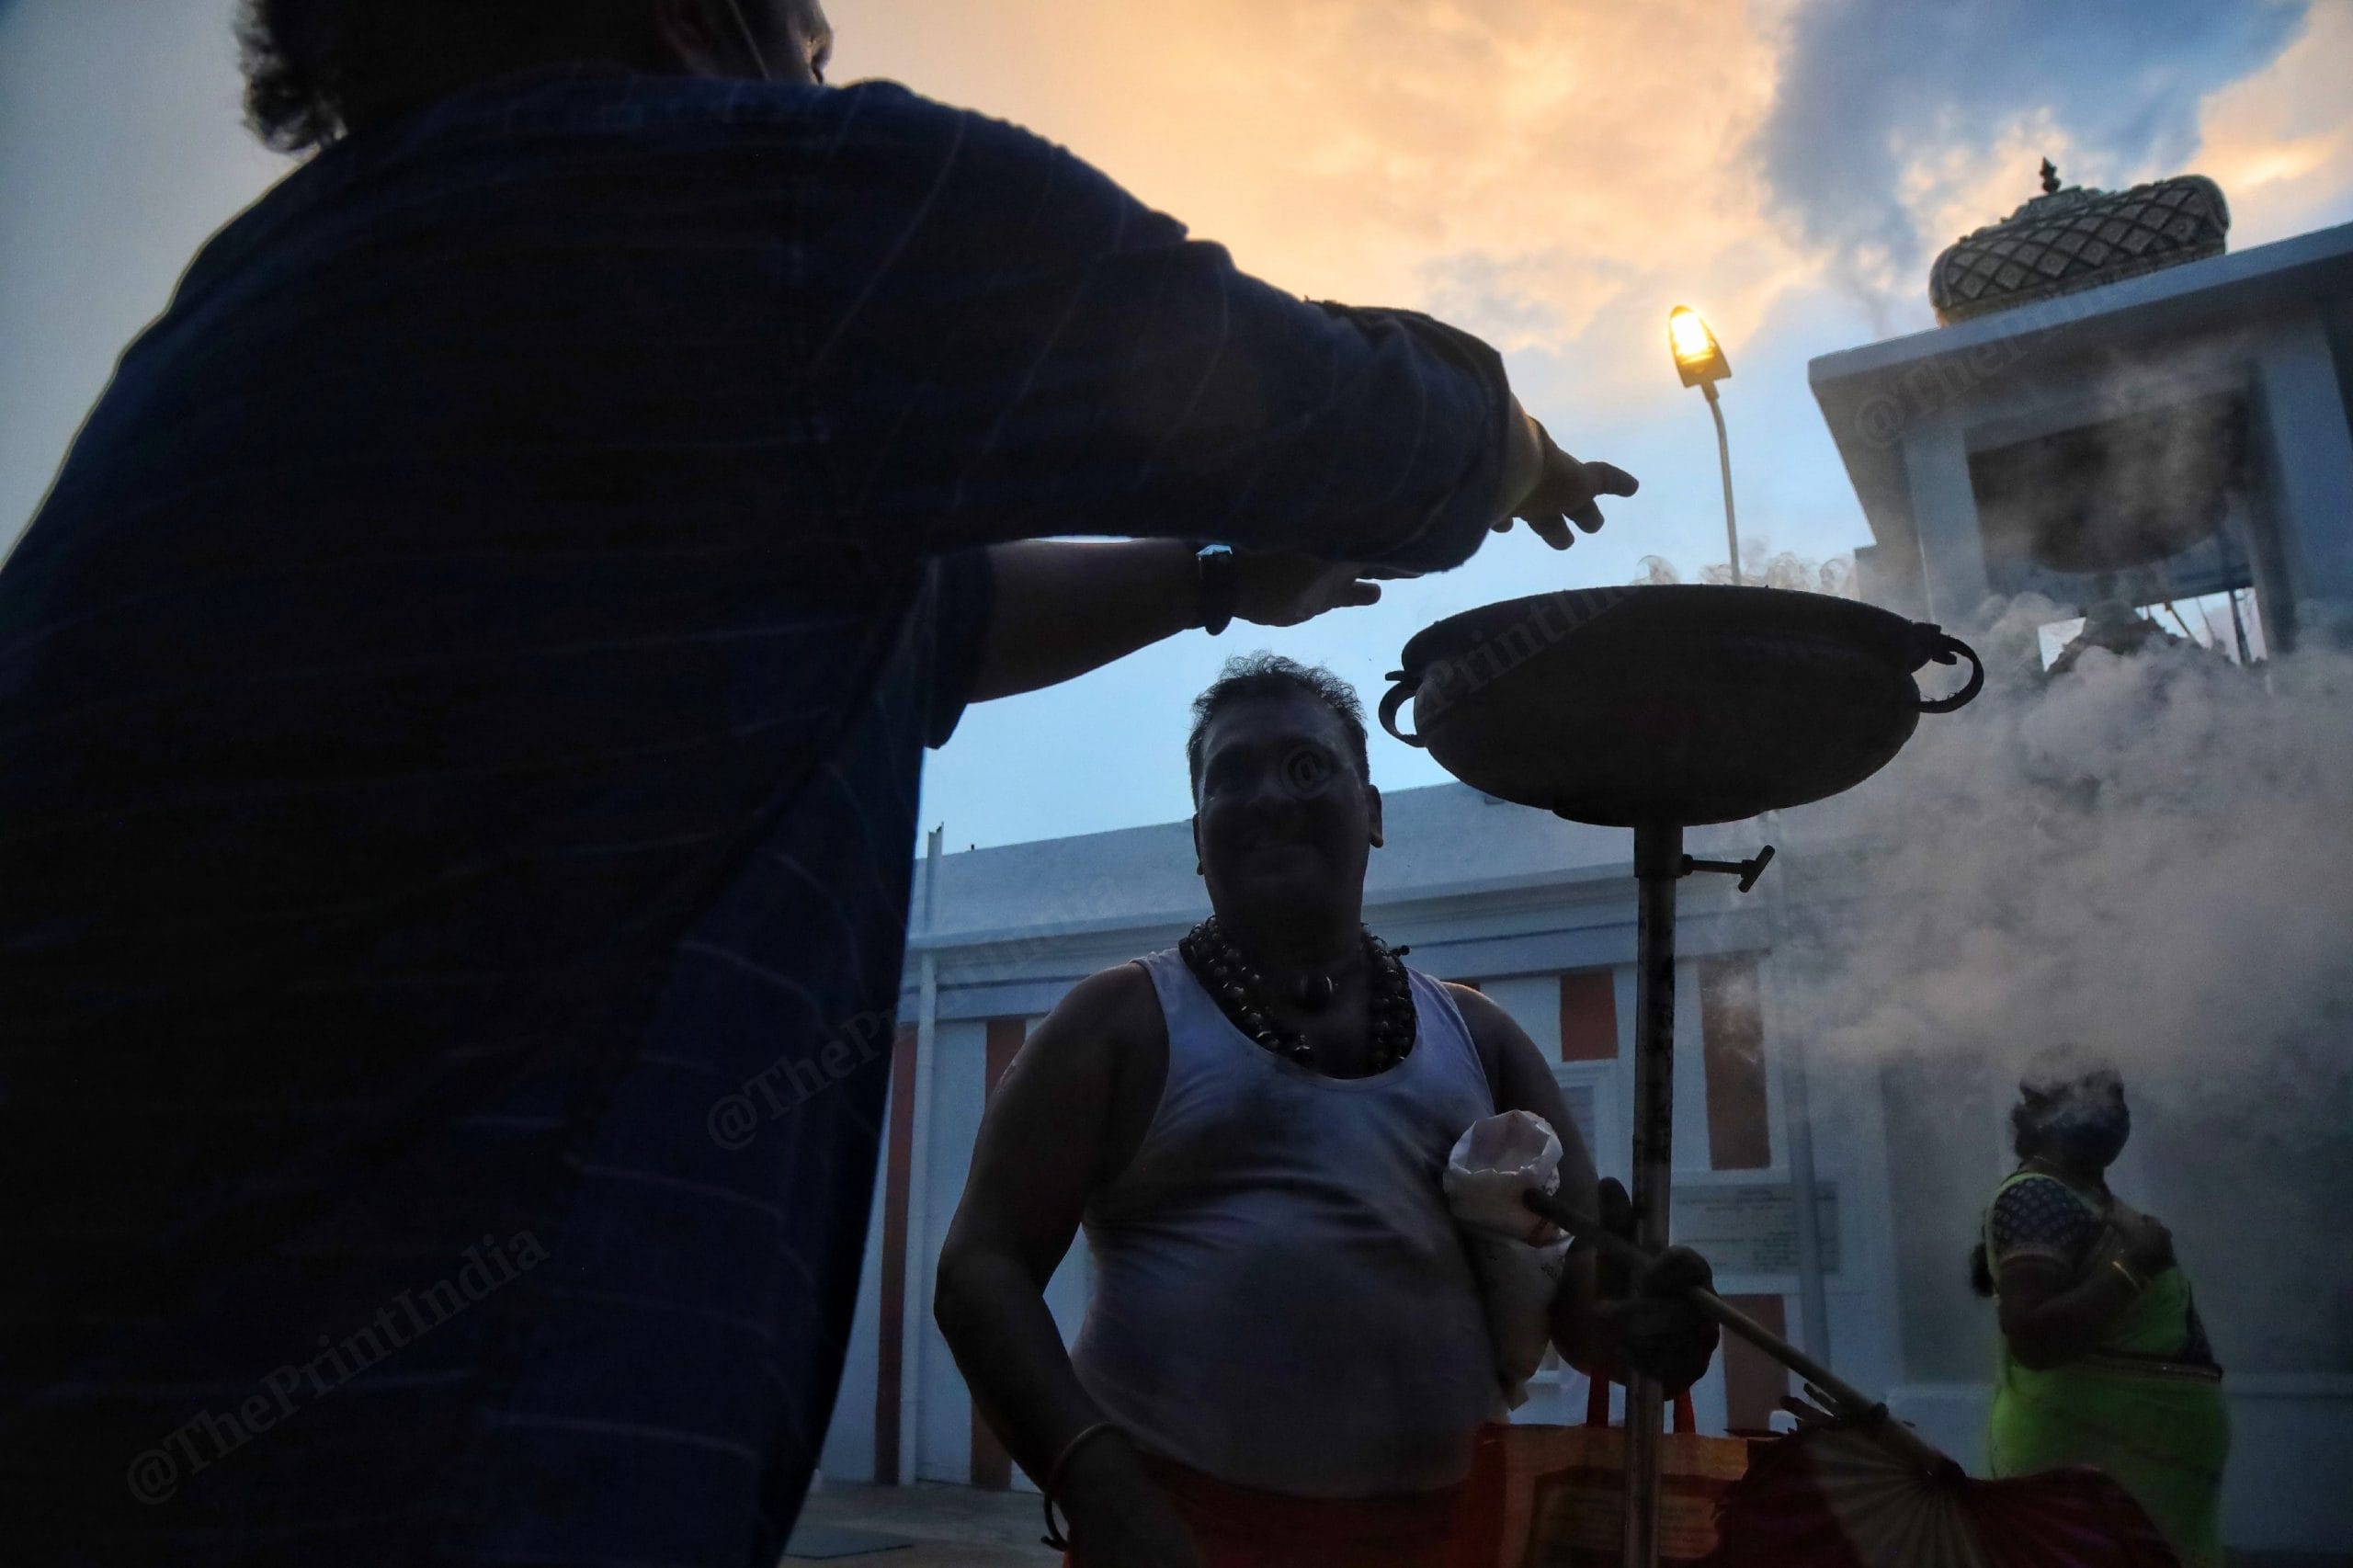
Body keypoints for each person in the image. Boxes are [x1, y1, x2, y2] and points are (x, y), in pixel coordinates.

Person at [0, 4, 1645, 1563]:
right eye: (802, 16)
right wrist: (1497, 439)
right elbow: (1347, 424)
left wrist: (1216, 572)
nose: (824, 47)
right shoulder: (779, 209)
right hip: (448, 1465)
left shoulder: (243, 315)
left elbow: (925, 618)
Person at [936, 655, 1719, 1568]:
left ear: (1374, 813)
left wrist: (1643, 1325)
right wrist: (1093, 1476)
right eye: (1231, 775)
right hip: (1180, 1534)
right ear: (1198, 836)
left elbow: (1589, 1303)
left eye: (1306, 766)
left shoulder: (1481, 1036)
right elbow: (980, 1268)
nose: (1268, 794)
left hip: (1459, 1530)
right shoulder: (1118, 1021)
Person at [1972, 1060, 2229, 1567]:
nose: (2116, 1112)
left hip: (2131, 1466)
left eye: (2119, 1097)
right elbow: (2033, 1338)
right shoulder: (2036, 1196)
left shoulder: (2079, 1195)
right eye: (2101, 1096)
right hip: (2092, 1460)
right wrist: (2137, 1265)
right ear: (2045, 1111)